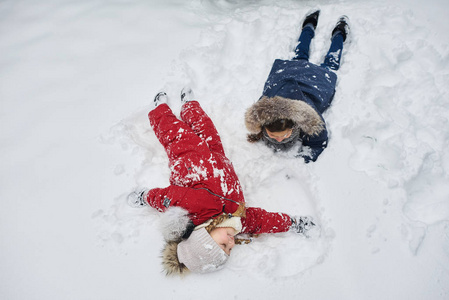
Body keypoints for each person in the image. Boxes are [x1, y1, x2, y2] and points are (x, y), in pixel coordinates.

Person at [128, 89, 317, 275]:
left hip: (188, 156)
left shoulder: (195, 210)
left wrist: (144, 197)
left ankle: (162, 109)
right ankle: (190, 106)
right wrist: (293, 223)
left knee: (172, 132)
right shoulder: (239, 221)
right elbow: (262, 221)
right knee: (206, 128)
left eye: (223, 245)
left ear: (204, 235)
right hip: (217, 157)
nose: (231, 243)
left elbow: (165, 197)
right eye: (229, 249)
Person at [244, 10, 350, 163]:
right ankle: (308, 25)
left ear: (295, 124)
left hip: (315, 84)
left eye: (284, 135)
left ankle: (339, 33)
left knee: (330, 64)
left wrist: (303, 160)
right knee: (299, 56)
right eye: (274, 136)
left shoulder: (309, 118)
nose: (279, 140)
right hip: (290, 75)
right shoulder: (263, 111)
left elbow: (317, 143)